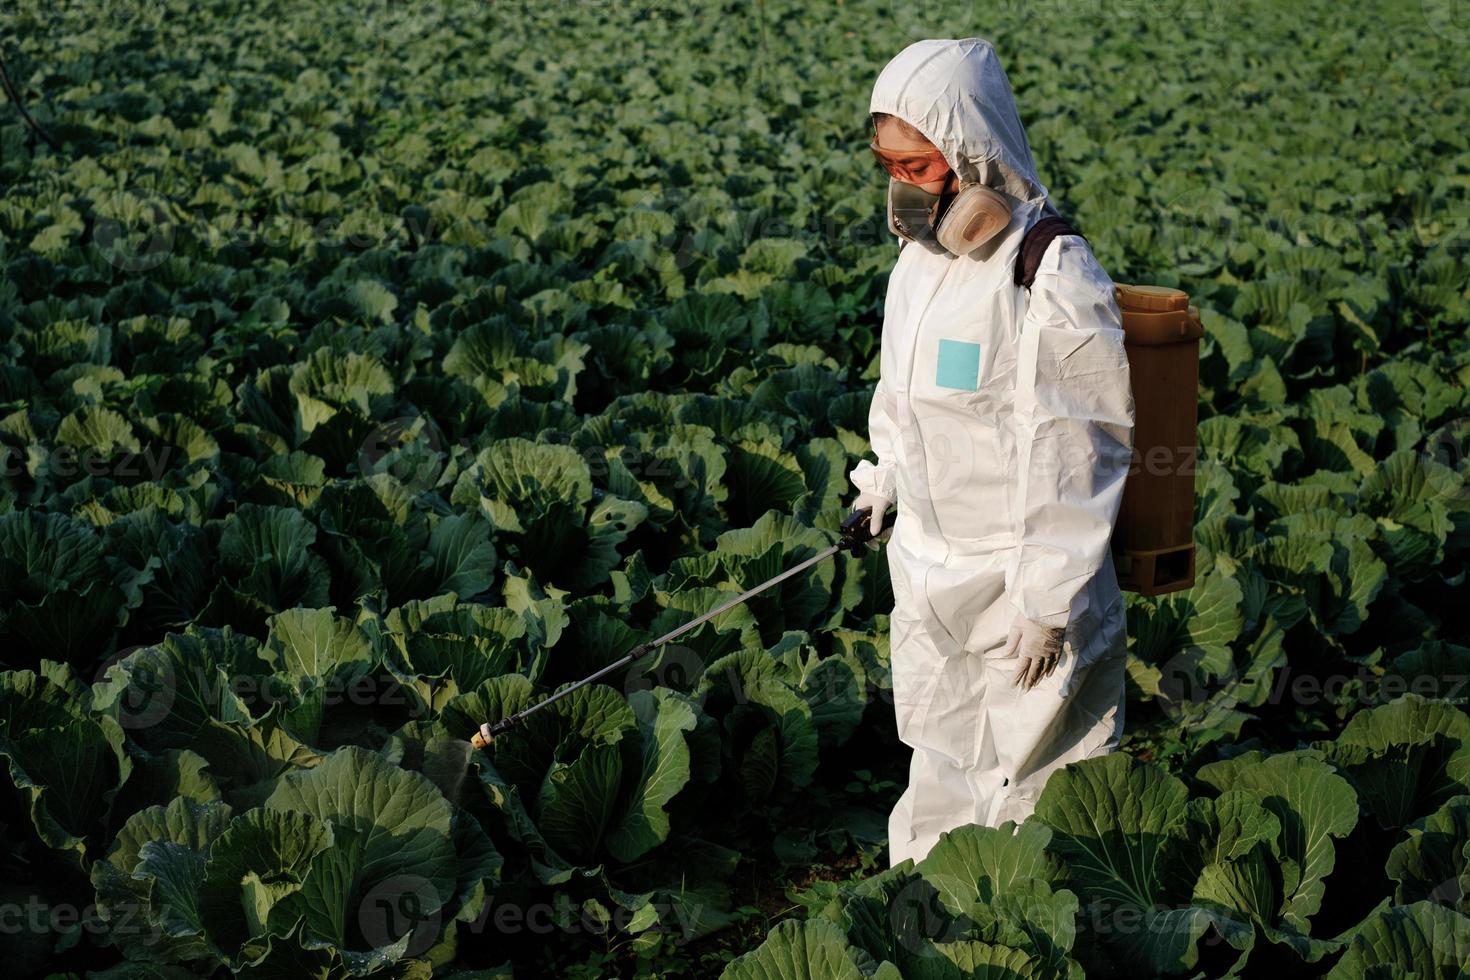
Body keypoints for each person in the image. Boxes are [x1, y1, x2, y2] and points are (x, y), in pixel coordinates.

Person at [848, 37, 1136, 867]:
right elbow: (903, 399)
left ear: (973, 154)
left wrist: (1050, 601)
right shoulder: (919, 264)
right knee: (940, 756)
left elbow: (1078, 448)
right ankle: (922, 905)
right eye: (889, 165)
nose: (902, 187)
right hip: (930, 572)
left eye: (920, 166)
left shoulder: (1050, 271)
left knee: (1035, 782)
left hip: (1021, 587)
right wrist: (885, 484)